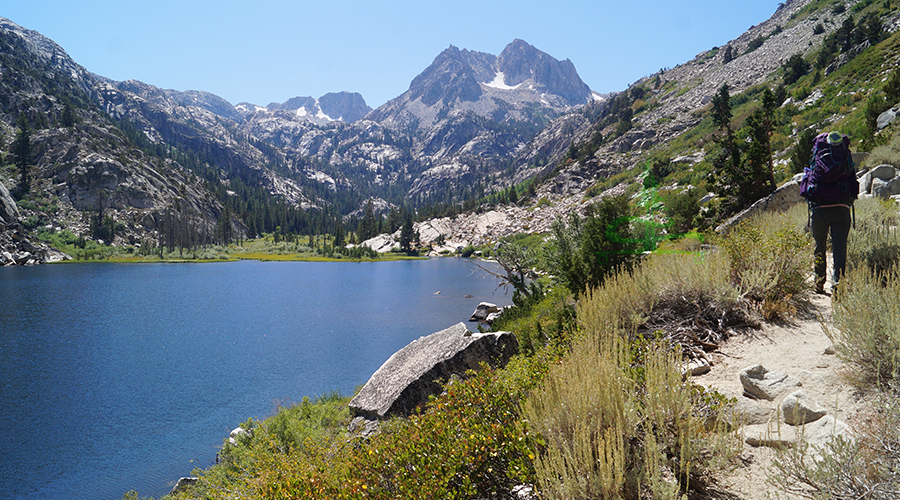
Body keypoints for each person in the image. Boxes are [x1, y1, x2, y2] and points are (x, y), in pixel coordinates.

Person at [801, 131, 858, 295]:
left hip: (820, 210)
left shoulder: (817, 160)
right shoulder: (844, 160)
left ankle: (819, 282)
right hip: (842, 208)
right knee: (840, 247)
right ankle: (837, 284)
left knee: (820, 245)